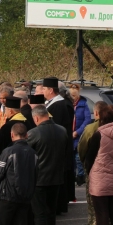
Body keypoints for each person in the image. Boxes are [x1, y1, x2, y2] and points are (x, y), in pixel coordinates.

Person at [27, 104, 68, 225]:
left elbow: (26, 153)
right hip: (56, 178)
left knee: (40, 215)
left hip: (39, 180)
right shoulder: (62, 130)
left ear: (36, 118)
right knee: (50, 214)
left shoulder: (34, 133)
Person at [40, 77, 75, 213]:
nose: (42, 91)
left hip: (57, 146)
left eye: (44, 88)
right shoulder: (52, 103)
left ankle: (59, 205)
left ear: (50, 90)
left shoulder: (59, 105)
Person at [76, 101, 107, 225]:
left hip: (95, 172)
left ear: (96, 113)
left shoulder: (91, 129)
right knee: (112, 209)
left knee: (94, 208)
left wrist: (85, 164)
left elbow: (81, 148)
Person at [71, 84, 91, 186]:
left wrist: (77, 132)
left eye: (74, 96)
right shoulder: (68, 105)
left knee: (78, 157)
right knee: (71, 158)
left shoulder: (83, 105)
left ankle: (80, 176)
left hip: (78, 135)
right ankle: (73, 176)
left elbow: (87, 120)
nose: (72, 98)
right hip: (70, 135)